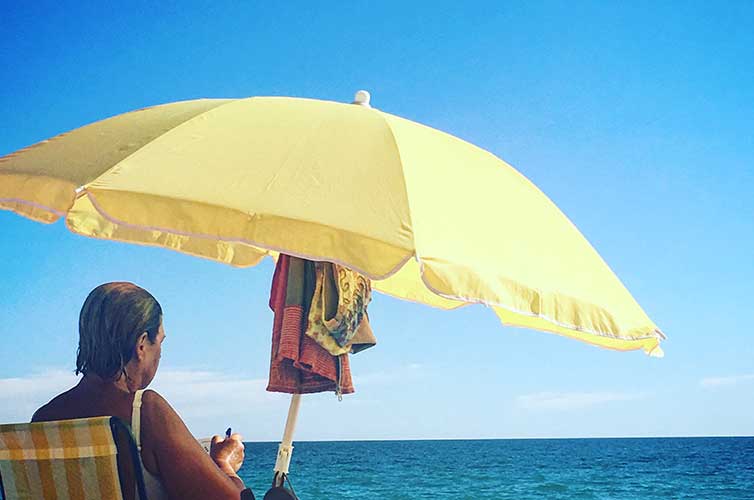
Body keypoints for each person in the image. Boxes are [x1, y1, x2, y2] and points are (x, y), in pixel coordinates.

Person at [32, 282, 247, 500]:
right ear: (142, 345)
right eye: (160, 342)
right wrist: (223, 463)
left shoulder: (43, 420)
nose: (161, 354)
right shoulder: (146, 411)